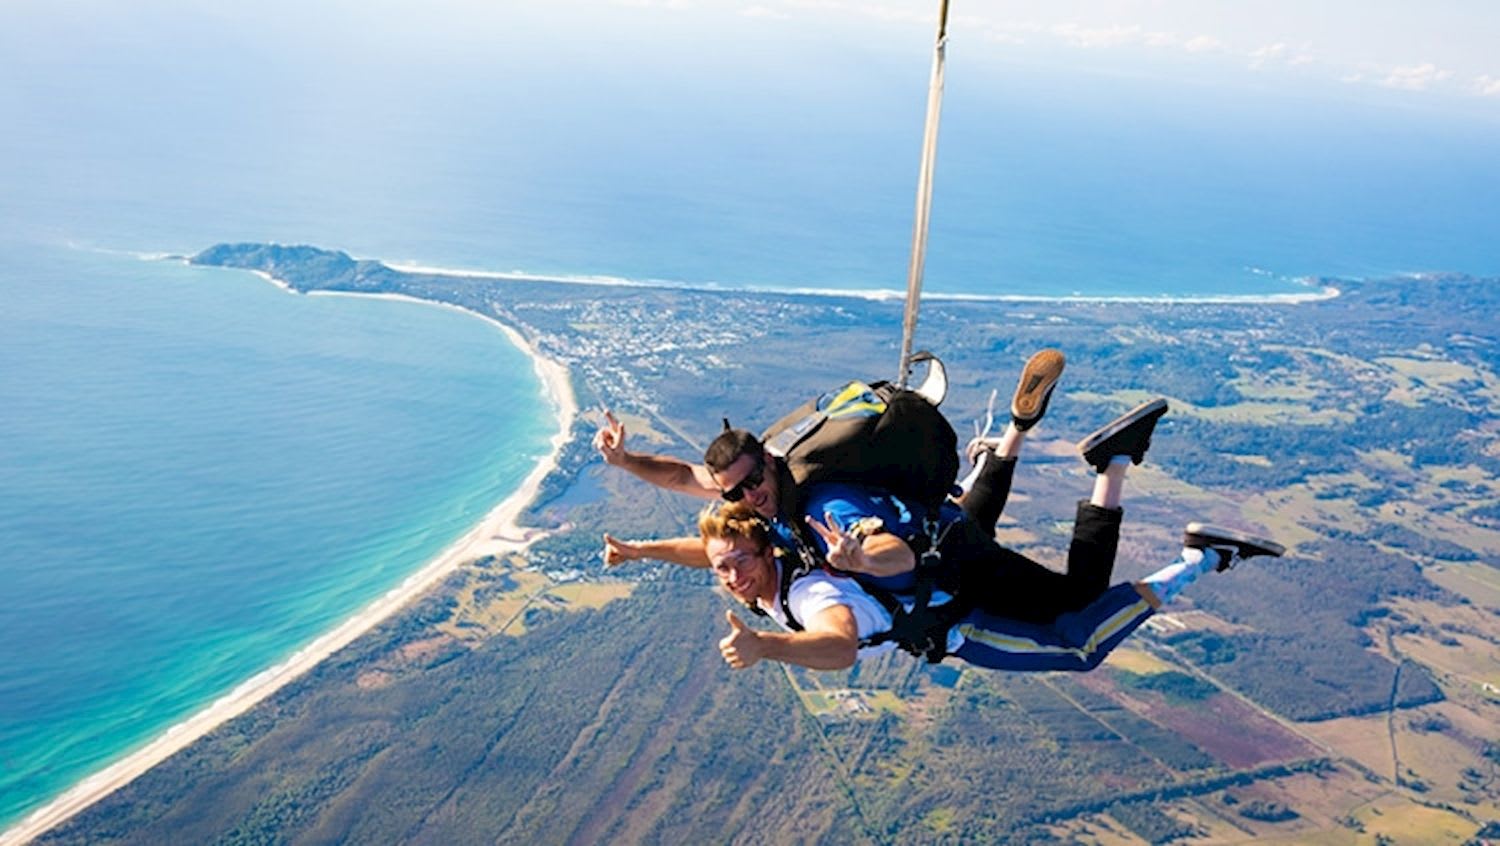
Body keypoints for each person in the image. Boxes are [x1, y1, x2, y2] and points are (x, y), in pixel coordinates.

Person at [600, 350, 1169, 626]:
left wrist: (858, 557)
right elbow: (680, 475)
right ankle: (1016, 429)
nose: (749, 497)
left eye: (753, 481)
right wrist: (625, 460)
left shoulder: (824, 504)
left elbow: (891, 551)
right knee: (973, 516)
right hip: (944, 519)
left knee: (1079, 600)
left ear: (770, 462)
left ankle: (1110, 465)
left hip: (956, 562)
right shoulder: (757, 490)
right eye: (735, 492)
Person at [700, 500, 1284, 672]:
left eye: (737, 564)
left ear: (762, 553)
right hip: (952, 579)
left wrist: (766, 645)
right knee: (1069, 596)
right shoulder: (770, 556)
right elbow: (711, 551)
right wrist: (638, 549)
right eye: (720, 568)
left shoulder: (806, 597)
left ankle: (1201, 558)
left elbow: (841, 645)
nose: (730, 577)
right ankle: (1008, 440)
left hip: (963, 628)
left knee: (1079, 647)